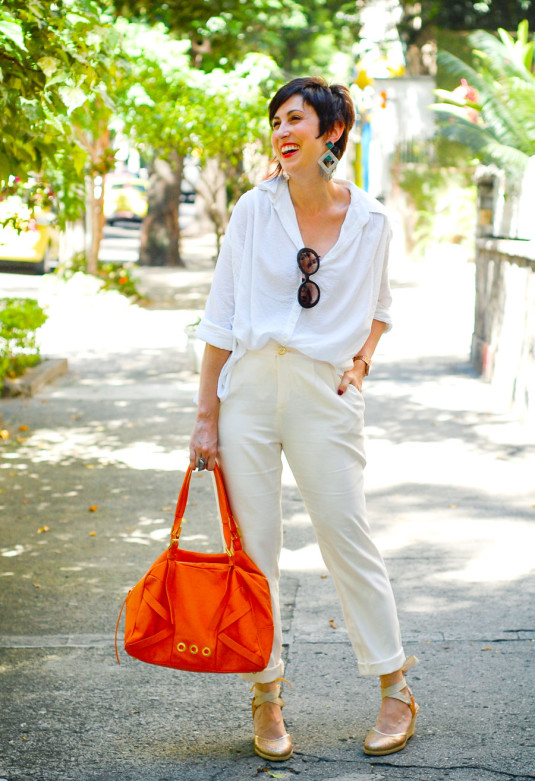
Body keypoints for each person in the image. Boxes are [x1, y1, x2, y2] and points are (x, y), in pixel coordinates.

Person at [189, 76, 418, 761]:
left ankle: (395, 688)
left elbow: (378, 305)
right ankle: (266, 696)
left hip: (323, 393)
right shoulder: (253, 211)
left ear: (332, 131)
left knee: (346, 534)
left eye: (295, 119)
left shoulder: (372, 220)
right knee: (256, 551)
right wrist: (205, 417)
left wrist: (361, 362)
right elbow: (220, 315)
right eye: (275, 122)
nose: (281, 132)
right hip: (250, 392)